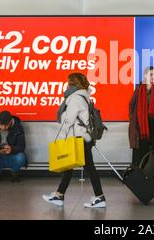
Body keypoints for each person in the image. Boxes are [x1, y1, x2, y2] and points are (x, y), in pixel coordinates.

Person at [43, 73, 106, 208]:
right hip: (84, 138)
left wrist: (60, 140)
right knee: (70, 167)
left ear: (72, 83)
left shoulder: (75, 98)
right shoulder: (84, 96)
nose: (66, 84)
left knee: (88, 168)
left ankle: (100, 198)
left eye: (68, 82)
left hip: (80, 138)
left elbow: (68, 121)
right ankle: (59, 195)